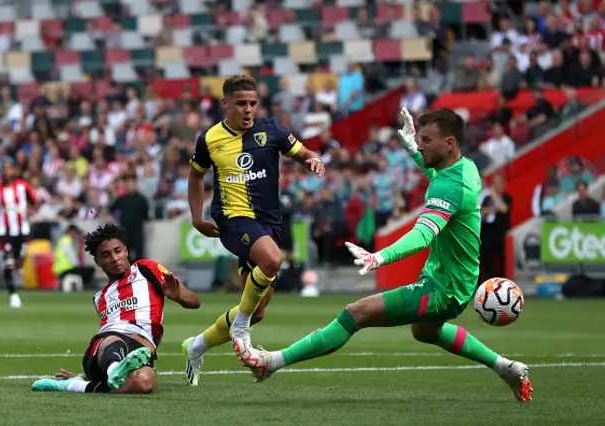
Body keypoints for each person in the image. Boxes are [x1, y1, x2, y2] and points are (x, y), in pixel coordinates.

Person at [233, 108, 532, 402]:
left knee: (355, 313)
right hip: (452, 279)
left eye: (427, 140)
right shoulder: (465, 168)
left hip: (445, 287)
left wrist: (380, 257)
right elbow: (434, 172)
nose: (421, 144)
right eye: (421, 139)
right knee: (425, 331)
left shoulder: (450, 185)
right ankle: (505, 367)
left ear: (449, 143)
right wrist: (413, 148)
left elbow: (423, 233)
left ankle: (270, 363)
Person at [183, 74, 324, 386]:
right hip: (232, 218)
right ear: (226, 104)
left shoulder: (271, 130)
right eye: (241, 103)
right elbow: (195, 177)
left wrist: (313, 161)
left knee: (257, 310)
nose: (248, 109)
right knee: (272, 260)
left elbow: (304, 153)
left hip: (269, 222)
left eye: (252, 103)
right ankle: (240, 327)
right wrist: (196, 217)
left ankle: (196, 346)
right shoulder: (209, 139)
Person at [31, 224, 200, 394]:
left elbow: (195, 301)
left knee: (145, 382)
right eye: (106, 255)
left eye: (117, 251)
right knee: (113, 339)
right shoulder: (100, 298)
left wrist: (177, 295)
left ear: (126, 251)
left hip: (140, 352)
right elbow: (104, 337)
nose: (114, 258)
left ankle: (78, 386)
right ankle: (114, 371)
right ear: (97, 261)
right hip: (109, 343)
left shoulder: (145, 269)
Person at [0, 161, 37, 308]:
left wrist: (29, 211)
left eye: (11, 168)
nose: (8, 171)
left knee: (19, 262)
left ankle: (16, 268)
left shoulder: (23, 186)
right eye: (5, 169)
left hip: (22, 231)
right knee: (8, 261)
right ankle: (13, 295)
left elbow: (34, 201)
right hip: (5, 231)